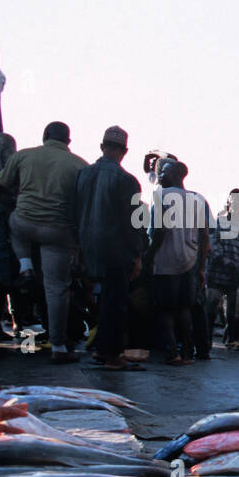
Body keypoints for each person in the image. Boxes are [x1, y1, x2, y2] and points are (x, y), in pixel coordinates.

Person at [0, 121, 88, 362]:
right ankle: (58, 347)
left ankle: (25, 266)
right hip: (58, 231)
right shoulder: (79, 165)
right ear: (68, 141)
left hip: (25, 222)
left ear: (45, 136)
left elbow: (0, 182)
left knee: (15, 223)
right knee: (56, 288)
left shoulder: (24, 156)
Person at [74, 126, 143, 371]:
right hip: (116, 250)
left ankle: (99, 350)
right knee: (116, 302)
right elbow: (133, 222)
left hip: (87, 246)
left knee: (101, 301)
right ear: (124, 151)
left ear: (102, 146)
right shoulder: (127, 180)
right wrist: (136, 255)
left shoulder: (83, 174)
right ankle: (112, 355)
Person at [148, 161, 212, 365]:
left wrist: (149, 256)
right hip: (189, 261)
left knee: (166, 310)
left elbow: (159, 230)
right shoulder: (197, 199)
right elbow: (204, 236)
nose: (159, 177)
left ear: (173, 175)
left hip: (165, 260)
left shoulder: (162, 196)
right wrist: (201, 267)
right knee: (185, 308)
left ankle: (172, 353)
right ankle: (186, 352)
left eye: (163, 173)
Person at [207, 189, 239, 352]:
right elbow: (213, 248)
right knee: (212, 305)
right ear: (228, 204)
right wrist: (228, 263)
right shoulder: (218, 222)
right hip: (216, 273)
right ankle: (205, 340)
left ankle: (232, 339)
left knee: (233, 309)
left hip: (236, 276)